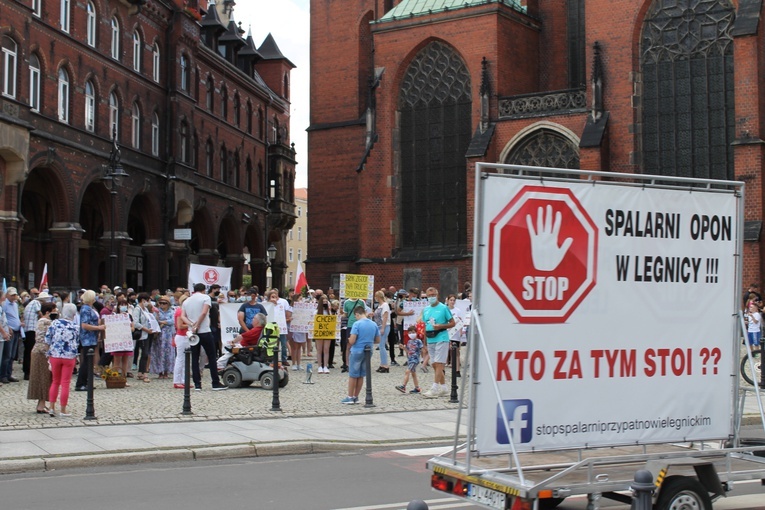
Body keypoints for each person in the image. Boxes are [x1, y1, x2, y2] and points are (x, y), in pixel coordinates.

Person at [182, 283, 227, 391]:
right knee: (211, 357)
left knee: (195, 357)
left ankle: (197, 384)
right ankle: (215, 382)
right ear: (203, 290)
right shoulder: (205, 297)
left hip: (192, 332)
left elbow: (183, 316)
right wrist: (197, 325)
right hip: (204, 331)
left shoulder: (186, 301)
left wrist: (192, 324)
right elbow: (203, 313)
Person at [46, 303, 80, 417]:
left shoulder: (55, 323)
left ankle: (51, 407)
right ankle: (63, 409)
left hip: (55, 355)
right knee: (65, 383)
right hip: (69, 356)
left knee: (55, 381)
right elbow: (77, 342)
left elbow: (47, 338)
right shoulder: (75, 326)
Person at [341, 306, 380, 404]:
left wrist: (349, 340)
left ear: (357, 314)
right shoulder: (373, 324)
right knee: (361, 374)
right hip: (368, 350)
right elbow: (378, 340)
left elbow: (353, 340)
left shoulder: (356, 324)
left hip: (357, 350)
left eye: (356, 316)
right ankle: (356, 396)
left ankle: (350, 397)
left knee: (353, 374)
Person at [421, 287, 455, 398]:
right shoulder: (426, 309)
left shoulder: (444, 308)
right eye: (429, 295)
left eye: (433, 295)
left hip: (442, 336)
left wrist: (441, 326)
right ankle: (444, 388)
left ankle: (434, 388)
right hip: (431, 338)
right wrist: (424, 343)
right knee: (435, 364)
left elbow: (452, 323)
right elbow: (425, 325)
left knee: (439, 362)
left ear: (437, 295)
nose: (431, 297)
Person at [28, 301, 57, 413]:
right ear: (48, 312)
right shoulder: (47, 322)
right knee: (44, 377)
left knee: (40, 377)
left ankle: (42, 403)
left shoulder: (40, 321)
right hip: (43, 351)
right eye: (54, 311)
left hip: (37, 350)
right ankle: (41, 404)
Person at [74, 290, 106, 391]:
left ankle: (86, 382)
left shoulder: (90, 308)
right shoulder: (86, 309)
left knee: (89, 362)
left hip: (92, 338)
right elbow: (84, 325)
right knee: (86, 362)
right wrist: (99, 328)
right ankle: (80, 383)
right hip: (87, 338)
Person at [1, 287, 22, 383]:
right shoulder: (4, 305)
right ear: (7, 295)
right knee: (7, 354)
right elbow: (3, 318)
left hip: (17, 330)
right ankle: (3, 375)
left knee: (13, 354)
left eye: (15, 295)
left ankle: (9, 374)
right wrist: (8, 328)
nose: (14, 297)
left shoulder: (15, 304)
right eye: (12, 295)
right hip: (9, 331)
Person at [150, 296, 175, 379]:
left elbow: (173, 321)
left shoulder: (171, 311)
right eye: (160, 303)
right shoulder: (157, 312)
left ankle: (166, 372)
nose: (162, 305)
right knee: (159, 353)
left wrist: (163, 322)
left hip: (168, 336)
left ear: (168, 304)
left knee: (168, 354)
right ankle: (159, 371)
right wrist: (163, 322)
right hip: (159, 336)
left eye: (164, 303)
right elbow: (153, 320)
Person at [132, 293, 154, 383]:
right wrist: (145, 329)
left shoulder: (145, 310)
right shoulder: (137, 309)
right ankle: (144, 373)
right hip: (143, 333)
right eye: (147, 300)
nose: (148, 302)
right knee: (144, 352)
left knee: (146, 352)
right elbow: (136, 322)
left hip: (148, 333)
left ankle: (141, 372)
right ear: (143, 300)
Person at [396, 325, 423, 394]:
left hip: (415, 359)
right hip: (410, 359)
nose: (411, 334)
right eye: (410, 332)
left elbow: (422, 350)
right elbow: (408, 351)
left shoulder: (418, 341)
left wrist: (423, 359)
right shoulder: (409, 342)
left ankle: (403, 386)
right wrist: (403, 348)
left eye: (413, 332)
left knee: (407, 371)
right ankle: (417, 388)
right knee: (413, 373)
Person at [22, 287, 42, 380]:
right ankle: (29, 372)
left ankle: (27, 372)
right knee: (31, 351)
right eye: (36, 294)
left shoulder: (29, 303)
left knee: (27, 351)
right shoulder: (36, 302)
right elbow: (40, 314)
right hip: (32, 329)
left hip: (27, 329)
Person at [172, 294, 191, 389]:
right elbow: (179, 326)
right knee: (180, 359)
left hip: (185, 336)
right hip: (181, 336)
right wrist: (191, 325)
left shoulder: (184, 311)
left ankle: (184, 380)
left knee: (185, 360)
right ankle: (177, 380)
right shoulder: (179, 312)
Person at [314, 294, 335, 373]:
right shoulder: (316, 312)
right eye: (323, 300)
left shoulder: (329, 312)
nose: (325, 302)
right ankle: (320, 366)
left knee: (326, 349)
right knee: (319, 350)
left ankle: (325, 366)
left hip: (327, 333)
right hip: (319, 333)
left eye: (326, 300)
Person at [372, 290, 391, 373]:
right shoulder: (380, 306)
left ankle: (385, 365)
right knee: (381, 345)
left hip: (384, 326)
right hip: (379, 326)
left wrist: (383, 328)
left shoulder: (385, 305)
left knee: (382, 345)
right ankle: (382, 364)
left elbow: (385, 316)